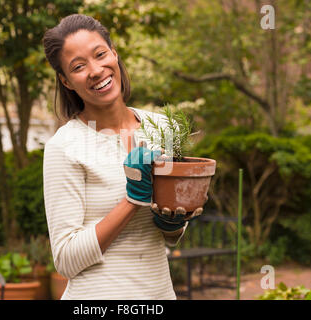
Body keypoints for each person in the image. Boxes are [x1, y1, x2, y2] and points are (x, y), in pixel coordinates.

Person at [42, 14, 196, 300]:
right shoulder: (65, 146)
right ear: (66, 81)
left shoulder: (164, 129)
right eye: (78, 66)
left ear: (114, 54)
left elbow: (170, 237)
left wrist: (174, 223)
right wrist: (132, 200)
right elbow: (65, 260)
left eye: (100, 54)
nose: (96, 70)